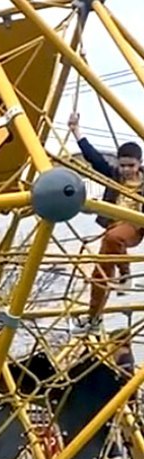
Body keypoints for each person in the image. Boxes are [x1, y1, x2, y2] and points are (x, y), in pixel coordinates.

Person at [69, 113, 144, 333]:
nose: (126, 170)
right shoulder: (114, 176)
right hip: (114, 227)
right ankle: (93, 319)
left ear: (140, 163)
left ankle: (125, 274)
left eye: (131, 165)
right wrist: (76, 131)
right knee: (99, 276)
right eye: (123, 166)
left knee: (114, 237)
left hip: (135, 226)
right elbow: (95, 159)